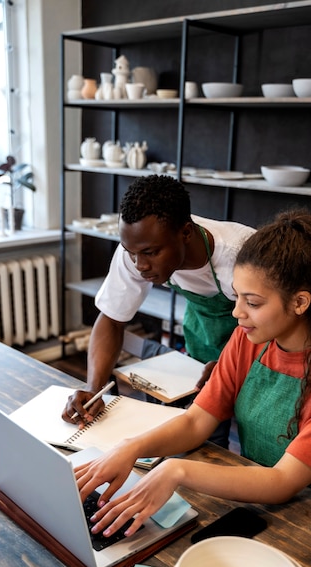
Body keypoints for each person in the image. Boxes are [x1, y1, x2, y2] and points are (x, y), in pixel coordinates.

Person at [74, 209, 311, 540]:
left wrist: (176, 469)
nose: (237, 312)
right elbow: (196, 422)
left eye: (254, 302)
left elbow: (283, 481)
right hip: (268, 508)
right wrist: (130, 447)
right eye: (237, 296)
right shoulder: (248, 341)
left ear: (300, 302)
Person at [62, 174, 255, 448]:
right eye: (132, 253)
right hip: (203, 343)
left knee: (251, 447)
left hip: (259, 351)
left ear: (186, 233)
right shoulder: (138, 245)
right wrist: (94, 389)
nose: (140, 264)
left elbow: (278, 327)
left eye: (151, 253)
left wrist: (230, 366)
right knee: (206, 442)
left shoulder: (241, 255)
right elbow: (112, 319)